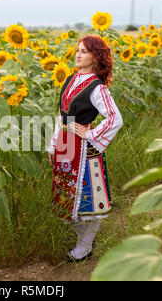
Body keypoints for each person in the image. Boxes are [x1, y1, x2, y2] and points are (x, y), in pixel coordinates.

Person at [47, 35, 123, 262]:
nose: (78, 54)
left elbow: (114, 118)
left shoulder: (97, 88)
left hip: (85, 149)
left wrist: (90, 133)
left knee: (88, 197)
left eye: (84, 51)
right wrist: (53, 145)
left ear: (96, 57)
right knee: (70, 193)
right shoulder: (71, 78)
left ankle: (85, 246)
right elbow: (63, 116)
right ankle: (81, 241)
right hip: (65, 143)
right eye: (77, 50)